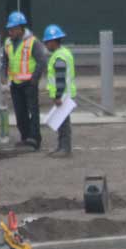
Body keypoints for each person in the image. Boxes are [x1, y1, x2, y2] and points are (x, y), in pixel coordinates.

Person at [0, 11, 49, 150]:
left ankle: (34, 138)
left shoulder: (33, 42)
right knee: (20, 112)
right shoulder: (8, 43)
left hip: (29, 83)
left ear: (21, 28)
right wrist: (3, 75)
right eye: (9, 29)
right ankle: (25, 137)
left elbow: (41, 61)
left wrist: (35, 79)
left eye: (13, 29)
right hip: (15, 84)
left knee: (33, 111)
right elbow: (5, 61)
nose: (10, 31)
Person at [43, 24, 76, 158]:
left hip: (63, 96)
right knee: (62, 122)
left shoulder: (59, 57)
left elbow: (60, 79)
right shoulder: (63, 53)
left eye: (47, 42)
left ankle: (65, 148)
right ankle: (61, 147)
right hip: (66, 94)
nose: (46, 44)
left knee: (63, 123)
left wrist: (57, 96)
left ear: (53, 41)